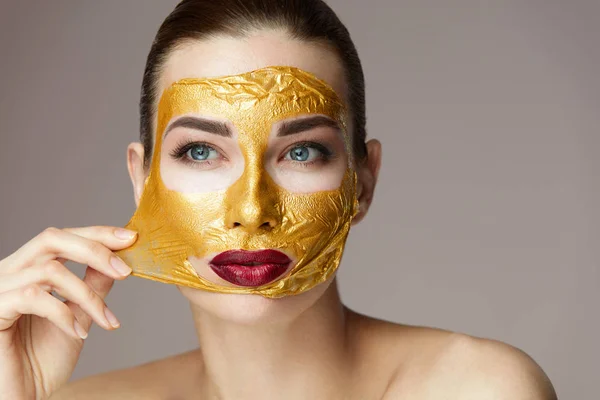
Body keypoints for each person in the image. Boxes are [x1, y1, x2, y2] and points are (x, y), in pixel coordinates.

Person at [0, 1, 557, 399]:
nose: (251, 209)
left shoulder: (478, 389)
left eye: (302, 152)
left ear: (362, 183)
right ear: (142, 181)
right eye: (199, 152)